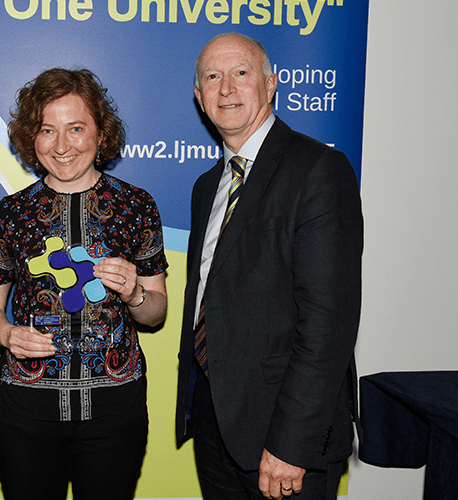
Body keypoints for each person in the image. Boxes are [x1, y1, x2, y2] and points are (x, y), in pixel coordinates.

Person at [175, 33, 363, 500]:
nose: (226, 89)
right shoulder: (206, 186)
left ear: (271, 84)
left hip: (282, 432)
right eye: (212, 78)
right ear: (198, 98)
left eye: (240, 73)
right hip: (215, 423)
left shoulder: (319, 168)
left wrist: (291, 444)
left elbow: (328, 325)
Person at [0, 68, 169, 500]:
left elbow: (156, 312)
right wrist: (7, 334)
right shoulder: (10, 213)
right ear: (32, 137)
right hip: (26, 410)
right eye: (47, 130)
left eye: (76, 128)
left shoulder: (136, 206)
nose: (62, 146)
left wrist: (135, 292)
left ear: (101, 134)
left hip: (114, 412)